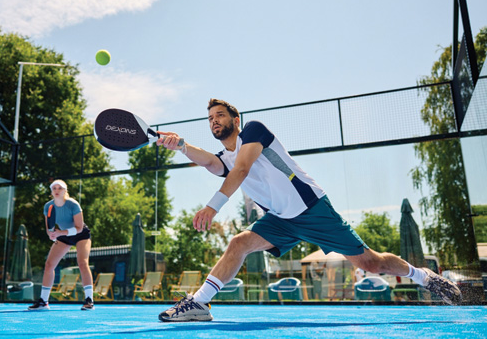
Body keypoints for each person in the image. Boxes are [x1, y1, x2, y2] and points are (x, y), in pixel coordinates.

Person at [156, 98, 462, 322]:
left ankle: (425, 277)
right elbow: (212, 162)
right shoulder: (225, 156)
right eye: (210, 118)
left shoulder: (254, 131)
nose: (214, 121)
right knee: (238, 243)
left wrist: (213, 206)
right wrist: (181, 145)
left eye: (220, 115)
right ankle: (199, 303)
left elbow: (243, 169)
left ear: (236, 120)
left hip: (313, 209)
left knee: (371, 263)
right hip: (279, 220)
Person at [28, 179, 95, 311]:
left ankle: (89, 300)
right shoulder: (48, 206)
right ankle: (43, 302)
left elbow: (79, 228)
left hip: (81, 234)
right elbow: (49, 228)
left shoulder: (73, 205)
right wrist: (52, 235)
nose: (57, 191)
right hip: (62, 235)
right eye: (54, 188)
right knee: (49, 265)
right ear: (51, 192)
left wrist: (60, 233)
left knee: (82, 263)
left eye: (60, 188)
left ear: (65, 191)